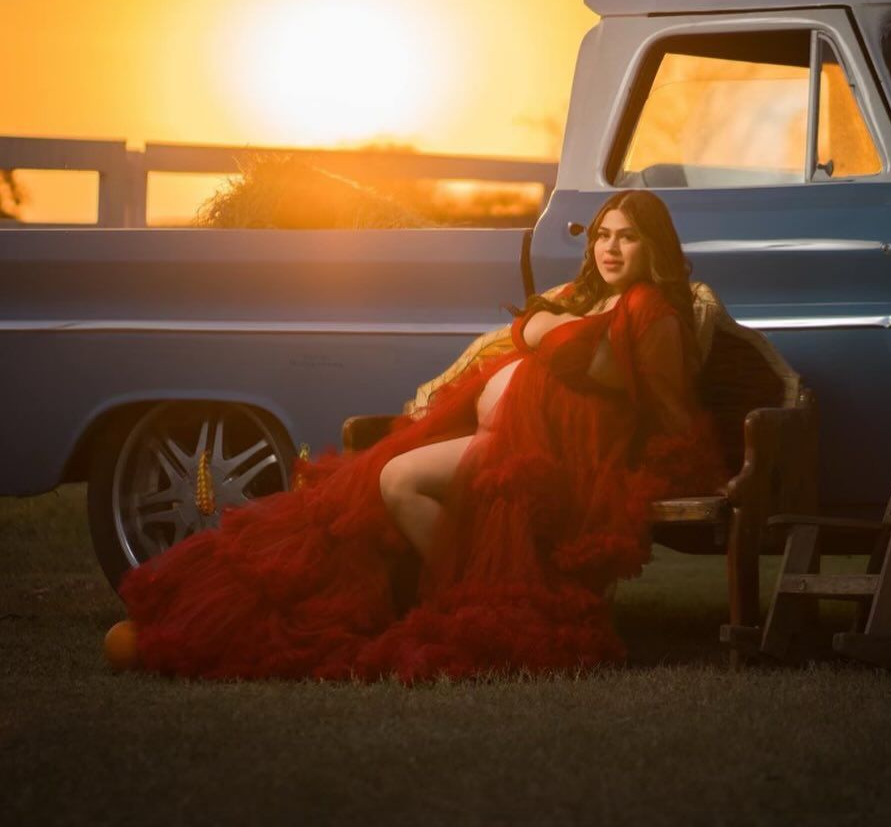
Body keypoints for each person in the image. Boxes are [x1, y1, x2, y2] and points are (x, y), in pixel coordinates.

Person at [115, 189, 729, 682]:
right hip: (511, 438)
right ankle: (471, 592)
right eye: (603, 234)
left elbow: (609, 377)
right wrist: (543, 323)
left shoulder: (651, 311)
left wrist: (540, 325)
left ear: (654, 247)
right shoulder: (589, 296)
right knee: (385, 478)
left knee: (398, 478)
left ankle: (477, 601)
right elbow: (536, 334)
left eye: (628, 237)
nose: (611, 248)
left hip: (559, 455)